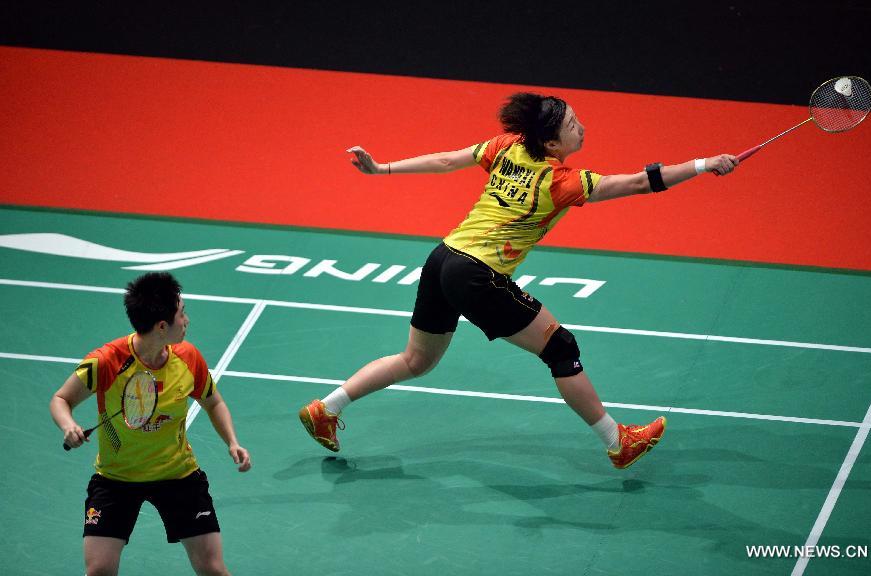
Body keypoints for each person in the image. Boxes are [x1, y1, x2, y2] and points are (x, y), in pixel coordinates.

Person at [298, 92, 738, 470]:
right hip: (477, 275)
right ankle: (617, 442)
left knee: (417, 360)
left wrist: (382, 169)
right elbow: (643, 182)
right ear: (550, 141)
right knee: (560, 348)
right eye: (571, 124)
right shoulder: (562, 181)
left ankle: (327, 408)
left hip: (443, 259)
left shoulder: (506, 147)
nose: (581, 127)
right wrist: (703, 164)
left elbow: (446, 159)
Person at [50, 272, 251, 576]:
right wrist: (68, 424)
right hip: (116, 478)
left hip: (177, 475)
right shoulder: (107, 361)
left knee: (212, 568)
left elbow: (214, 402)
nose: (186, 320)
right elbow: (61, 399)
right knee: (99, 571)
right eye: (181, 314)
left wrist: (232, 441)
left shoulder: (188, 358)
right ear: (161, 326)